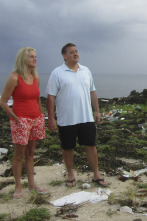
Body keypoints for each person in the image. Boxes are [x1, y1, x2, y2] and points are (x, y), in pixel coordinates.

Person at [46, 43, 107, 187]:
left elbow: (92, 92)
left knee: (91, 145)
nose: (75, 54)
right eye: (72, 52)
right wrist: (51, 117)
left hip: (86, 117)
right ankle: (71, 175)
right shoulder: (57, 73)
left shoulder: (86, 70)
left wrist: (97, 111)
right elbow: (51, 97)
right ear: (64, 56)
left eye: (76, 51)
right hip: (66, 119)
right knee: (67, 147)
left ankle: (96, 174)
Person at [0, 47, 48, 199]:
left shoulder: (35, 77)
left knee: (31, 153)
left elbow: (37, 98)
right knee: (19, 155)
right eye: (31, 57)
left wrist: (41, 114)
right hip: (22, 120)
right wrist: (16, 118)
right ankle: (18, 187)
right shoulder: (14, 77)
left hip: (36, 119)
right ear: (23, 59)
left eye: (35, 56)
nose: (35, 59)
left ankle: (32, 184)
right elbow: (3, 102)